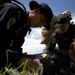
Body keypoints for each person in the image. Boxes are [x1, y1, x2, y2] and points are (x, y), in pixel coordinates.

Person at [0, 0, 53, 72]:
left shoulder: (24, 28)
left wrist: (23, 60)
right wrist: (18, 58)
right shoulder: (12, 11)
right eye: (41, 20)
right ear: (36, 11)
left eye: (43, 25)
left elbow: (14, 48)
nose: (40, 25)